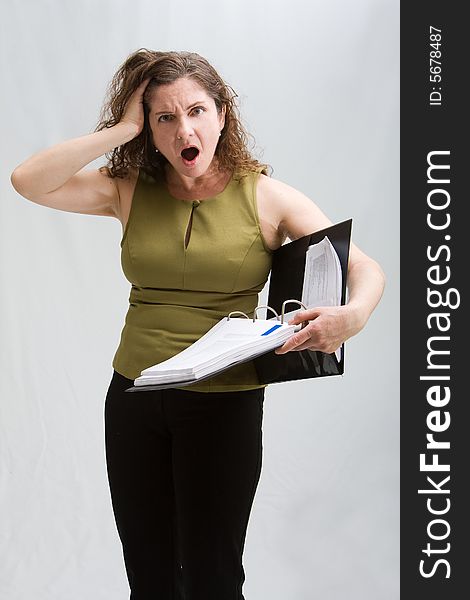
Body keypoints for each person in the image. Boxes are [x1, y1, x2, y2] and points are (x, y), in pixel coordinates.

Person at [10, 48, 385, 599]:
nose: (184, 128)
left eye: (197, 111)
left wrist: (350, 318)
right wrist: (120, 130)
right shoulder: (129, 189)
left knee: (213, 576)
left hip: (224, 402)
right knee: (150, 575)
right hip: (135, 397)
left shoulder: (266, 197)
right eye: (164, 118)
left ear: (222, 115)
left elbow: (364, 267)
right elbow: (27, 181)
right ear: (150, 131)